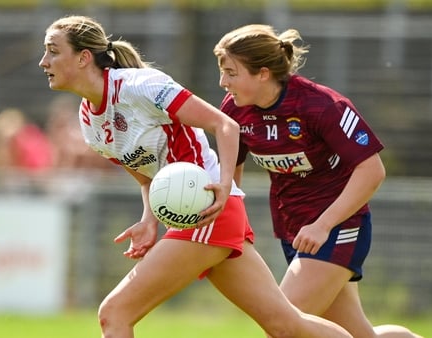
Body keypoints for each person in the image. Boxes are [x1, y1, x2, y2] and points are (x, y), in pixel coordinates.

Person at [39, 15, 351, 338]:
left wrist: (225, 187)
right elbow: (147, 178)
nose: (43, 61)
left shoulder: (140, 87)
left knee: (114, 313)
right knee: (286, 325)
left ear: (83, 57)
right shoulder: (90, 122)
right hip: (196, 215)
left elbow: (225, 126)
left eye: (52, 51)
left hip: (207, 210)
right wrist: (149, 218)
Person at [213, 24, 423, 338]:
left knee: (283, 326)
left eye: (231, 72)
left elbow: (372, 170)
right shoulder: (236, 111)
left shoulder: (321, 105)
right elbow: (231, 175)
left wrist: (323, 225)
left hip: (338, 228)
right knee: (360, 334)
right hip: (295, 232)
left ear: (263, 73)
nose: (222, 82)